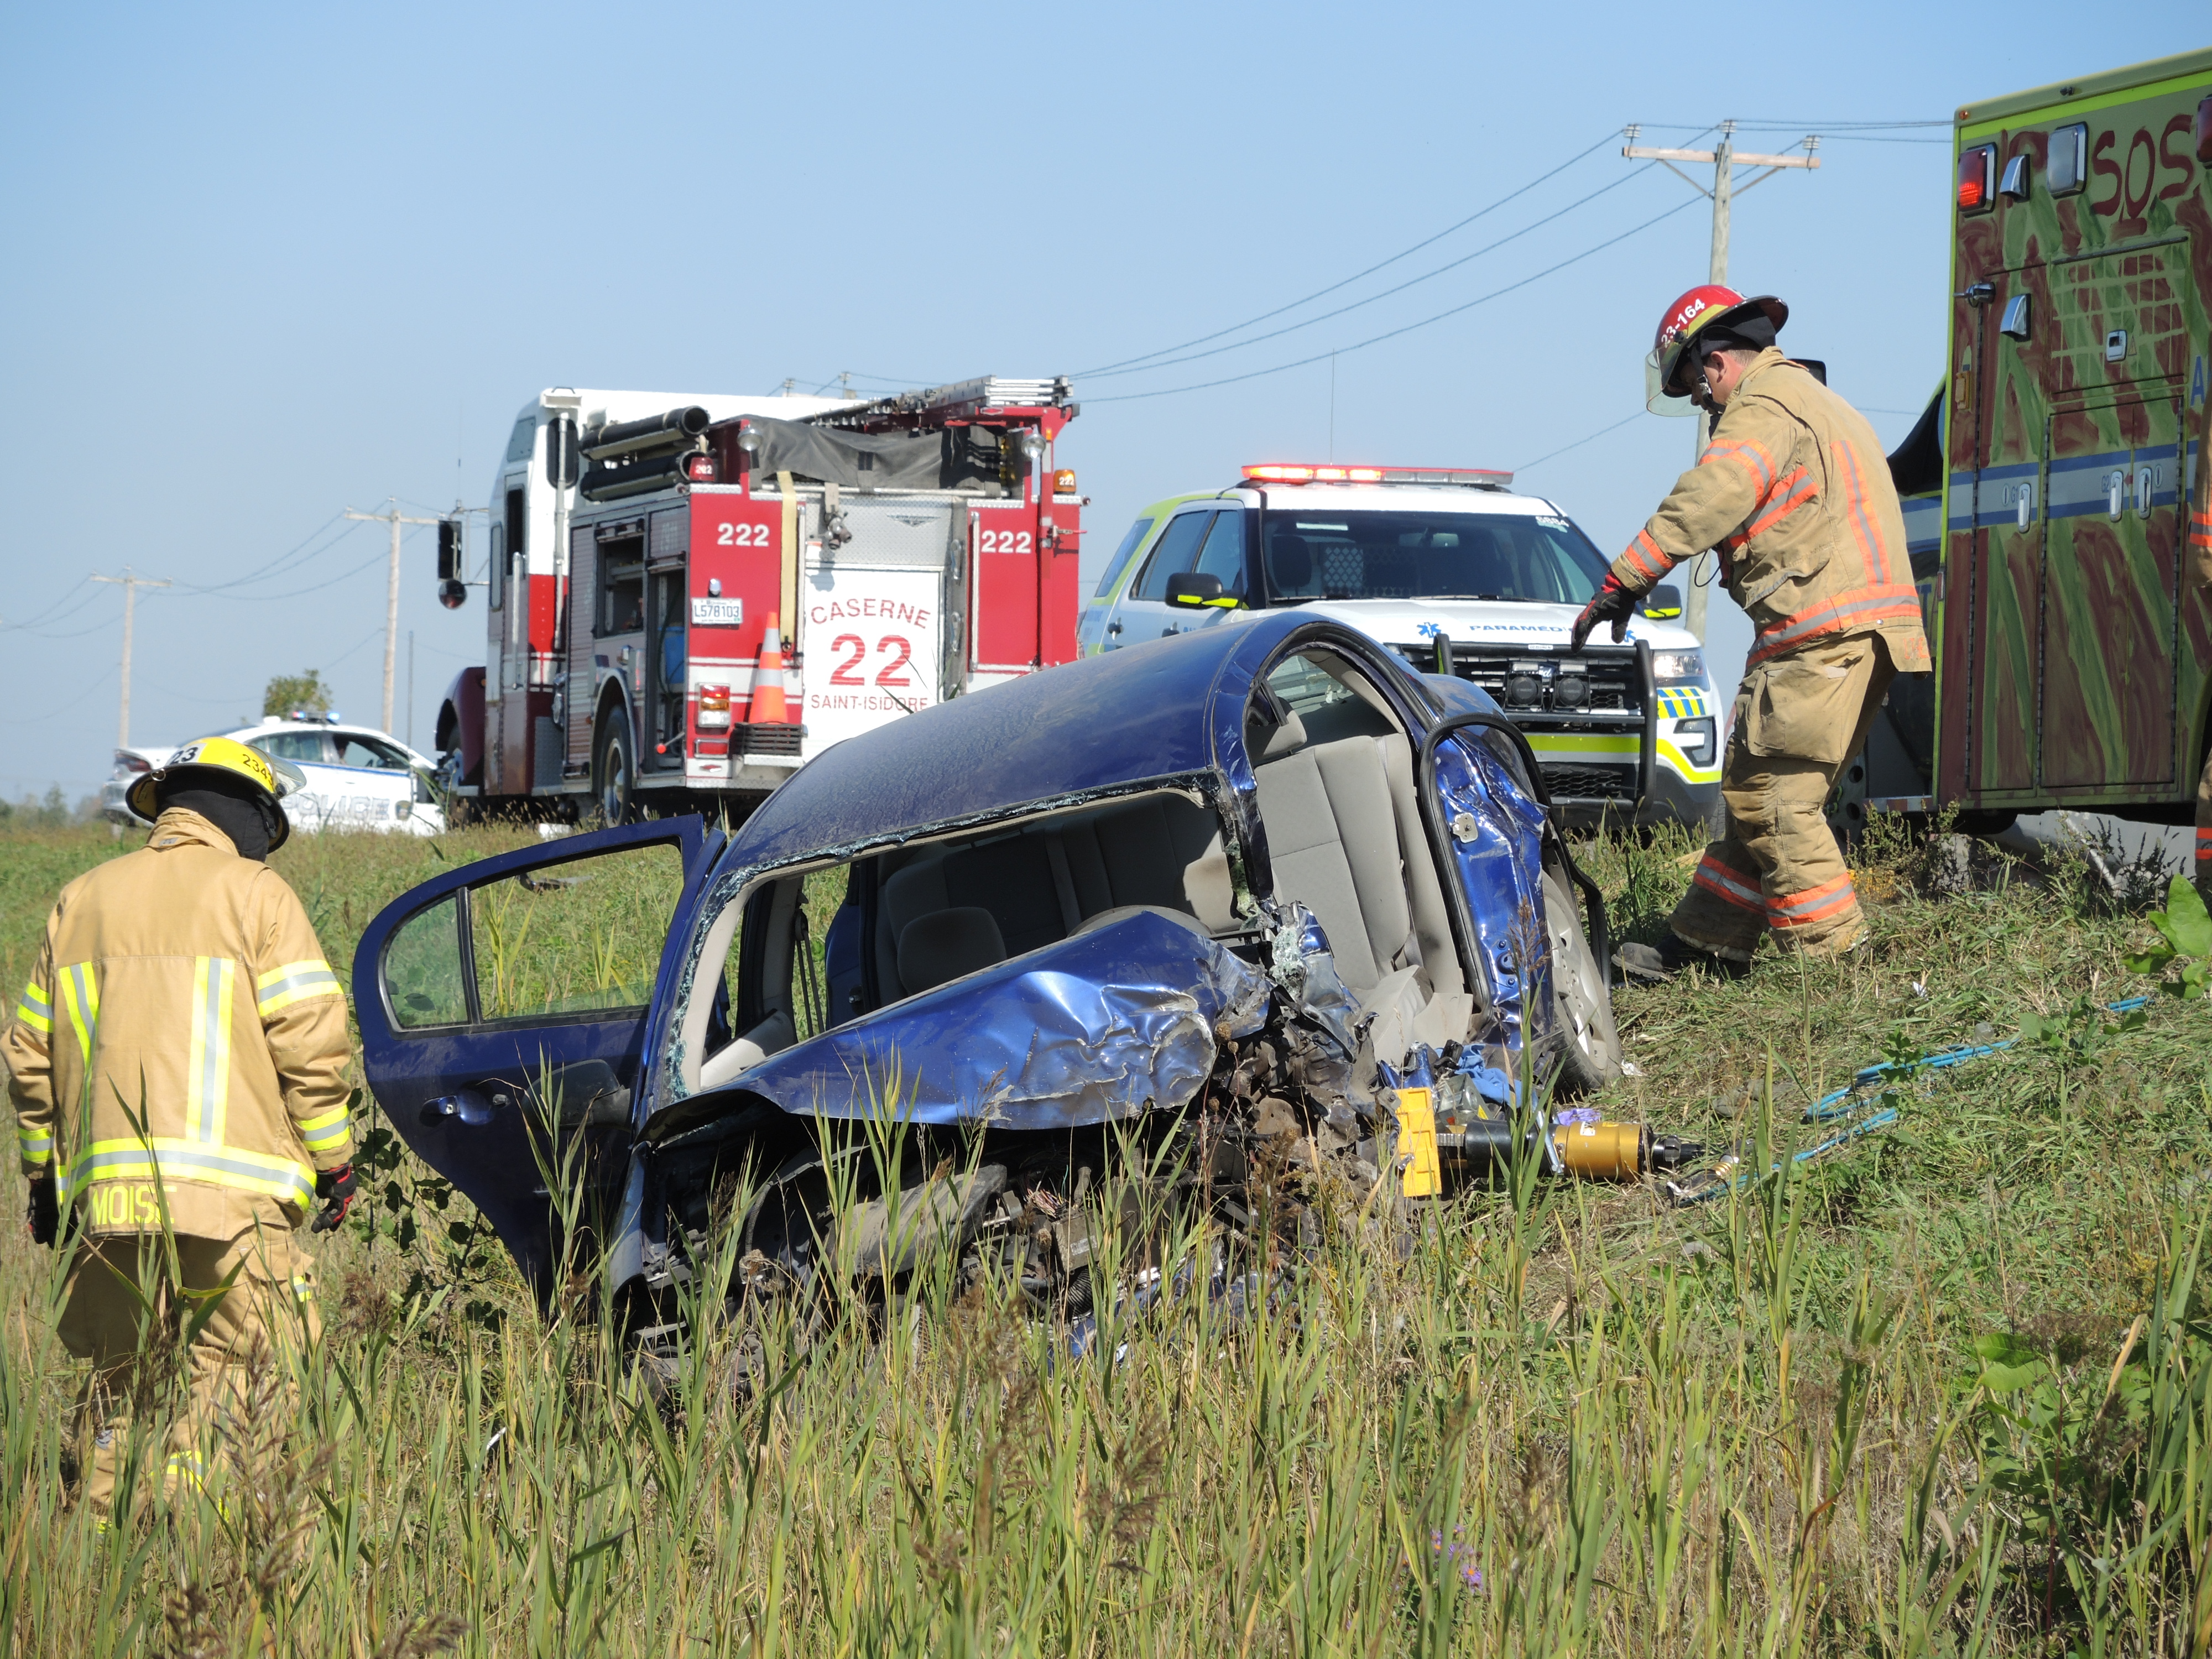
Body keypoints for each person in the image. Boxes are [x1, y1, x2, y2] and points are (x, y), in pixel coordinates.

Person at [5, 736, 357, 1516]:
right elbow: (308, 1038)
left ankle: (101, 1548)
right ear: (253, 815)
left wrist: (43, 1182)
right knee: (243, 1366)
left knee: (115, 1382)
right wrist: (335, 1160)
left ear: (169, 807)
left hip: (101, 1199)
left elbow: (29, 1057)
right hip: (233, 1203)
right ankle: (189, 1534)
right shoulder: (257, 894)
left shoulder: (81, 898)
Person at [1573, 285, 1932, 976]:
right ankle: (1704, 945)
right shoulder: (1816, 400)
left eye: (1694, 386)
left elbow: (1713, 492)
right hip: (1859, 627)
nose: (1702, 404)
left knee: (1775, 800)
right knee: (1752, 791)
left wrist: (1625, 579)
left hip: (1820, 629)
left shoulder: (1762, 405)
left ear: (1714, 362)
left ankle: (1834, 970)